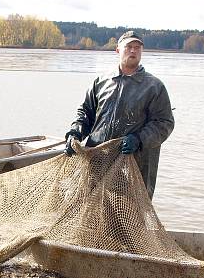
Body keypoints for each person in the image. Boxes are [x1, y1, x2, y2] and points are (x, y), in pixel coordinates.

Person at [63, 30, 175, 198]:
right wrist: (75, 133)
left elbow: (165, 123)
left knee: (129, 217)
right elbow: (85, 112)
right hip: (98, 161)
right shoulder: (101, 81)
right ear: (117, 50)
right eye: (128, 46)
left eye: (137, 47)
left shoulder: (154, 86)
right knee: (93, 211)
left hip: (134, 166)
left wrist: (139, 139)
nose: (133, 51)